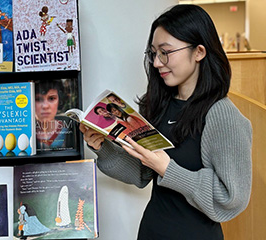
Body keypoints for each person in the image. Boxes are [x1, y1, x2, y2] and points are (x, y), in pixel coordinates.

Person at [80, 4, 252, 240]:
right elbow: (142, 175)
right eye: (153, 53)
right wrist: (102, 147)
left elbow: (231, 198)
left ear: (199, 52)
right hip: (152, 230)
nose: (157, 62)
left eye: (165, 52)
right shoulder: (160, 104)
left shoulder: (222, 115)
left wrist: (167, 168)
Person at [35, 80, 75, 151]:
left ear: (59, 101)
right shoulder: (25, 131)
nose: (45, 106)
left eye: (51, 98)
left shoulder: (71, 131)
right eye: (38, 99)